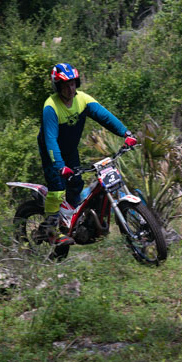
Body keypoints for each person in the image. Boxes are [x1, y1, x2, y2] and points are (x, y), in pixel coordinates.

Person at [37, 62, 137, 246]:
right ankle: (50, 230)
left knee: (76, 184)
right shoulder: (51, 107)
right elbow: (50, 140)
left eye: (73, 83)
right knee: (57, 189)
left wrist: (126, 133)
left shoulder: (82, 99)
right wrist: (59, 165)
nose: (70, 89)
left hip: (70, 150)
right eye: (65, 85)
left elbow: (105, 116)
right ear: (57, 86)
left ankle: (73, 223)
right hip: (52, 154)